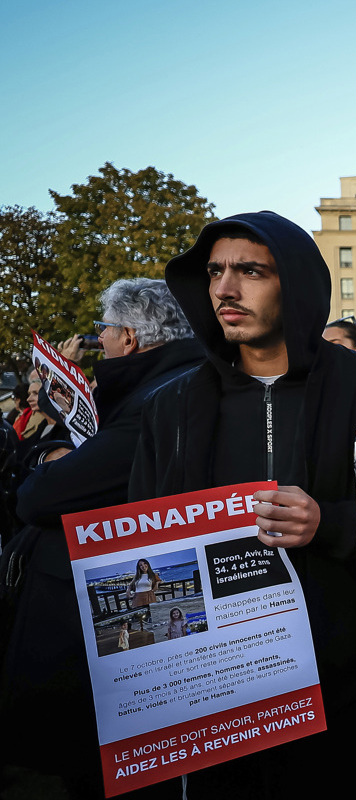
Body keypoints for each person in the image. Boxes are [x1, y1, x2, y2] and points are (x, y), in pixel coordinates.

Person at [128, 211, 356, 798]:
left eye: (250, 271)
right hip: (216, 698)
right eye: (214, 272)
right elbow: (143, 536)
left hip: (338, 692)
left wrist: (331, 523)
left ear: (296, 284)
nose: (225, 289)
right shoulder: (171, 407)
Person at [1, 277, 200, 799]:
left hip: (112, 626)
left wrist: (50, 459)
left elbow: (38, 498)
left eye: (103, 330)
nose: (100, 340)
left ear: (129, 338)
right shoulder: (169, 383)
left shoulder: (158, 397)